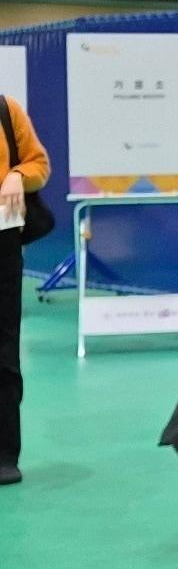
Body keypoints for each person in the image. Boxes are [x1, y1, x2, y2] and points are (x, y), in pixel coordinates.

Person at [0, 96, 49, 486]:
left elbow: (39, 164)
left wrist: (18, 173)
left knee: (3, 351)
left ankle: (4, 452)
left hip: (3, 243)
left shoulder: (7, 110)